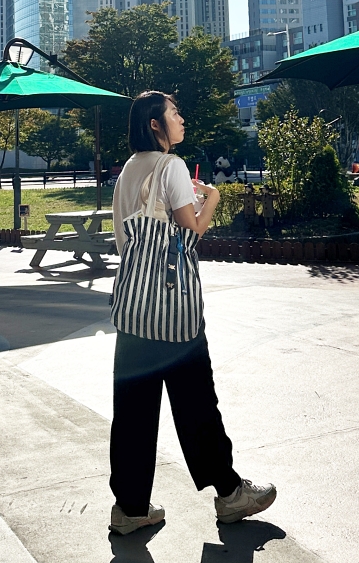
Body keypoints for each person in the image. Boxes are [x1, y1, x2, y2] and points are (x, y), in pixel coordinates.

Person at [109, 91, 276, 536]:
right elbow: (190, 232)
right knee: (197, 404)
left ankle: (129, 508)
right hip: (173, 310)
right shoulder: (172, 167)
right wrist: (213, 199)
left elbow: (129, 239)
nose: (181, 119)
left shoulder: (129, 170)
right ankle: (231, 494)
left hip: (134, 307)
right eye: (174, 113)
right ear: (155, 124)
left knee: (132, 411)